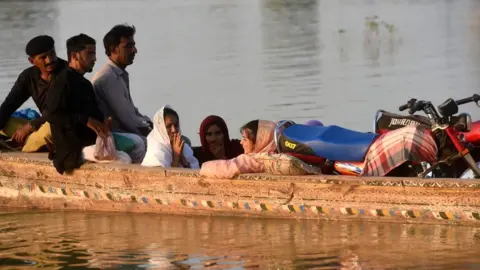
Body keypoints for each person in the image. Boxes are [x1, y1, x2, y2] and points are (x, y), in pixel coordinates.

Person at [45, 33, 115, 174]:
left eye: (94, 54)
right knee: (124, 158)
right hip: (73, 150)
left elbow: (93, 115)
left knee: (139, 143)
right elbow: (52, 115)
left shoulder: (85, 84)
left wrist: (104, 124)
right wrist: (83, 119)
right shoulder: (62, 81)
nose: (94, 59)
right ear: (74, 56)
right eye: (89, 54)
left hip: (92, 143)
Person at [91, 24, 149, 163]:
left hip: (124, 129)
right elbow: (126, 118)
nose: (134, 50)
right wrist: (150, 131)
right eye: (128, 46)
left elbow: (132, 111)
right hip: (114, 133)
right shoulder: (107, 78)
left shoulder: (119, 74)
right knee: (145, 143)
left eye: (133, 45)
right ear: (113, 49)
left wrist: (150, 124)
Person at [0, 35, 67, 151]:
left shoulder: (68, 73)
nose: (50, 60)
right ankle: (33, 142)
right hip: (40, 125)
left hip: (62, 126)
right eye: (43, 57)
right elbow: (8, 105)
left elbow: (59, 112)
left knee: (50, 130)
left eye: (52, 54)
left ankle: (25, 145)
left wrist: (30, 126)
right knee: (4, 122)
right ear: (32, 61)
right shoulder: (28, 77)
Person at [200, 120, 277, 179]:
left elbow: (225, 169)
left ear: (260, 142)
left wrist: (203, 167)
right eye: (209, 134)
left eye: (245, 139)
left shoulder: (253, 160)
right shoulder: (276, 156)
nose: (241, 142)